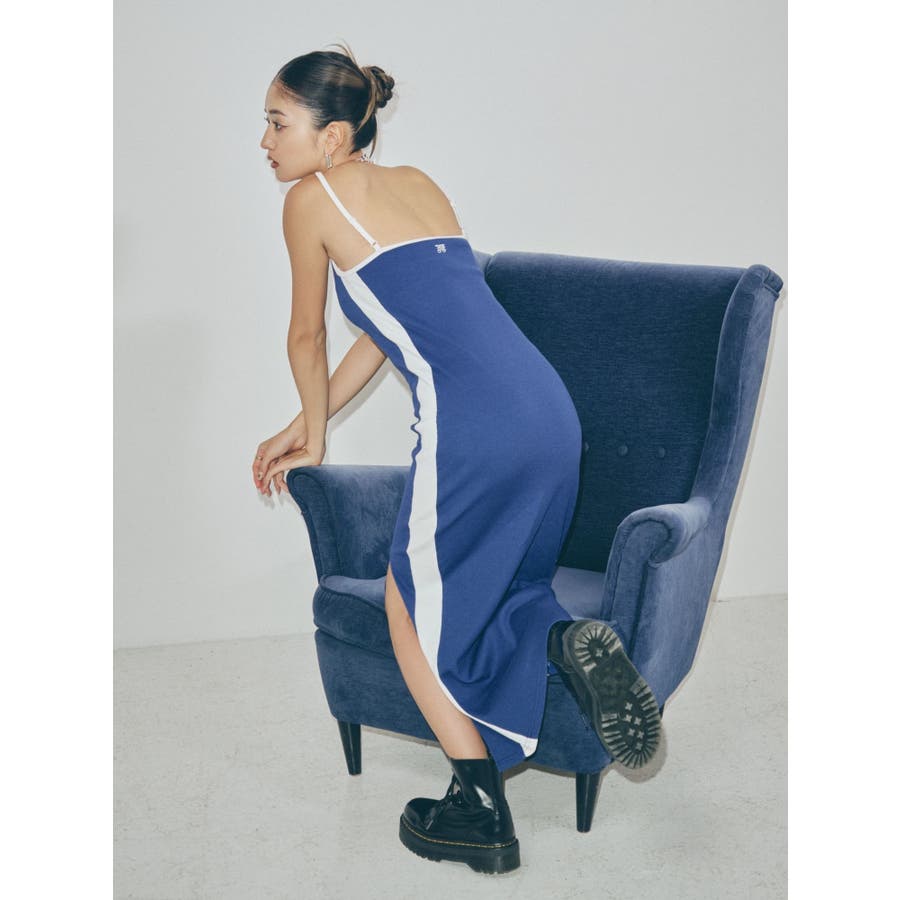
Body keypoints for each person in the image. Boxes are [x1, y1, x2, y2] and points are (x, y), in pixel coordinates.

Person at [251, 43, 661, 874]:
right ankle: (563, 642)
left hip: (473, 426)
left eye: (277, 122)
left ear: (332, 137)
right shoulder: (420, 183)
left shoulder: (309, 199)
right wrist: (307, 418)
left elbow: (306, 335)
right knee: (509, 583)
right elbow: (387, 327)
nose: (264, 141)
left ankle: (479, 810)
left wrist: (317, 439)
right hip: (549, 414)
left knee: (408, 602)